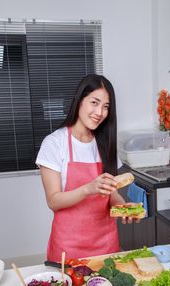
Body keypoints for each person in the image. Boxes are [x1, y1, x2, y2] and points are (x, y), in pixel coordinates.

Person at [36, 74, 137, 261]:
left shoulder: (105, 143)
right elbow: (53, 201)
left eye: (106, 107)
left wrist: (123, 207)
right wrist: (87, 189)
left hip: (106, 244)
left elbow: (111, 193)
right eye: (94, 102)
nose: (100, 112)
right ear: (79, 100)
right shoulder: (54, 143)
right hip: (68, 248)